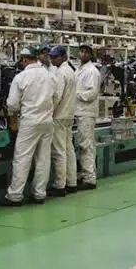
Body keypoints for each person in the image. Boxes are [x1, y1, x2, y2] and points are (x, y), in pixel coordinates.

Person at [4, 46, 57, 205]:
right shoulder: (50, 76)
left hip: (30, 122)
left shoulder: (21, 77)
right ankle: (39, 194)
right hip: (47, 121)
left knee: (22, 158)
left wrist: (14, 118)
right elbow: (55, 97)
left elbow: (12, 104)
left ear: (24, 59)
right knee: (43, 158)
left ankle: (15, 195)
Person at [48, 45, 78, 196]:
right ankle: (72, 182)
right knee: (69, 150)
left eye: (55, 57)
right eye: (52, 57)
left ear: (64, 57)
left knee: (59, 151)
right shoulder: (71, 71)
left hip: (59, 116)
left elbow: (57, 96)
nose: (53, 60)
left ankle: (60, 185)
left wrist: (49, 111)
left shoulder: (60, 73)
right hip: (69, 115)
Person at [74, 43, 100, 190]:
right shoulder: (78, 69)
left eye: (86, 52)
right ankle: (83, 174)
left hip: (87, 112)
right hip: (79, 111)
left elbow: (92, 94)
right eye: (81, 51)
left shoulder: (92, 71)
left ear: (91, 54)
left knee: (86, 145)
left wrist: (75, 94)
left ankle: (90, 178)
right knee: (82, 144)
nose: (83, 54)